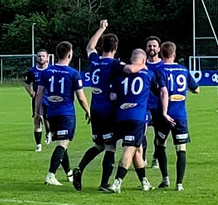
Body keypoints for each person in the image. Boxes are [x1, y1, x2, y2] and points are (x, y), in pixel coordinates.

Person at [105, 48, 167, 193]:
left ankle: (144, 182)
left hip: (121, 116)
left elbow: (113, 97)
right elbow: (158, 92)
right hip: (137, 117)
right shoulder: (149, 74)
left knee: (137, 149)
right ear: (144, 60)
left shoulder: (120, 75)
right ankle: (117, 182)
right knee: (130, 148)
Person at [72, 20, 123, 193]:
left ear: (102, 47)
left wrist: (101, 29)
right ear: (115, 49)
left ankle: (79, 168)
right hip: (107, 111)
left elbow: (89, 46)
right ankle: (103, 184)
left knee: (99, 146)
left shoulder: (94, 61)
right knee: (110, 147)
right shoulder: (115, 64)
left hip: (94, 109)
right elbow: (130, 70)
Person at [34, 41, 90, 186]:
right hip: (66, 114)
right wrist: (89, 111)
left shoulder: (46, 72)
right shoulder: (73, 73)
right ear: (70, 55)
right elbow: (81, 97)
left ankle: (68, 173)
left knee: (61, 143)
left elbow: (39, 94)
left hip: (51, 113)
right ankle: (51, 174)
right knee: (63, 144)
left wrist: (37, 113)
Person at [154, 42, 199, 191]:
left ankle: (165, 178)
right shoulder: (183, 70)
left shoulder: (159, 70)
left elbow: (162, 91)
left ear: (161, 54)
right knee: (181, 148)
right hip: (180, 114)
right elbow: (196, 89)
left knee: (160, 144)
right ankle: (179, 184)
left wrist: (165, 112)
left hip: (165, 115)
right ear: (174, 55)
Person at [22, 49, 52, 152]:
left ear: (47, 58)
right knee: (37, 120)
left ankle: (49, 132)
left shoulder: (52, 70)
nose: (41, 58)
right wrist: (31, 92)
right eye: (39, 56)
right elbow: (26, 83)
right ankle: (38, 145)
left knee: (48, 119)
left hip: (50, 99)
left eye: (43, 56)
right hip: (37, 99)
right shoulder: (32, 71)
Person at [144, 36, 164, 168]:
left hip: (160, 106)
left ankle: (156, 158)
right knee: (142, 132)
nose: (152, 48)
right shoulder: (141, 64)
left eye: (154, 46)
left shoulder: (163, 65)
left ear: (159, 48)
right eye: (149, 46)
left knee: (160, 135)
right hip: (144, 105)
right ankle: (142, 157)